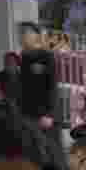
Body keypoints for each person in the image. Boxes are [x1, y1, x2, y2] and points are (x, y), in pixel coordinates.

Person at [18, 23, 61, 152]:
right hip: (28, 113)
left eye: (25, 33)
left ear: (35, 36)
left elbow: (52, 86)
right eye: (21, 34)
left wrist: (49, 114)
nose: (22, 37)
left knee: (50, 152)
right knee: (32, 151)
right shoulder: (24, 57)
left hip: (44, 115)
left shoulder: (46, 56)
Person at [0, 51, 21, 117]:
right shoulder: (0, 75)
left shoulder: (22, 75)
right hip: (4, 106)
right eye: (6, 61)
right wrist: (8, 101)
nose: (9, 63)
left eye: (11, 60)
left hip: (19, 106)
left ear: (17, 62)